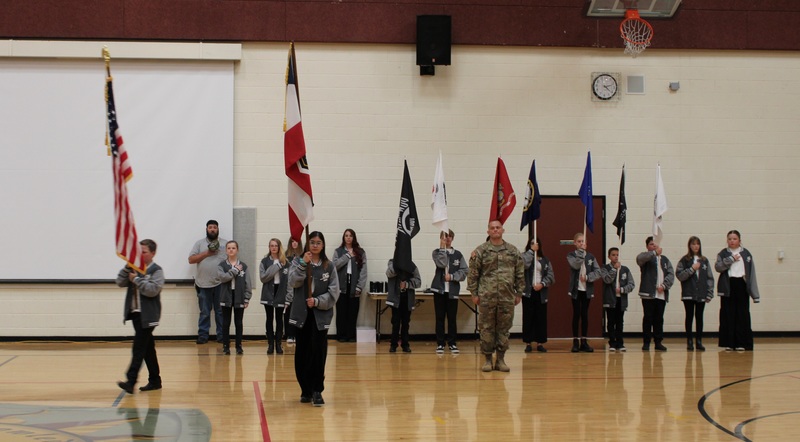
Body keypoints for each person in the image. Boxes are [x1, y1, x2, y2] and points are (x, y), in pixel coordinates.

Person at [288, 231, 339, 406]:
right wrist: (303, 264)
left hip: (320, 315)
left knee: (318, 352)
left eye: (318, 242)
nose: (315, 245)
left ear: (323, 245)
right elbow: (293, 282)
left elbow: (334, 292)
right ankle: (305, 390)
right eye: (312, 242)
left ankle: (317, 390)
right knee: (302, 352)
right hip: (302, 314)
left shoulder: (328, 266)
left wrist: (317, 301)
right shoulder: (298, 262)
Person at [467, 220, 525, 372]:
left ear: (503, 230)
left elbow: (520, 273)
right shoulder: (480, 251)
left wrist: (519, 292)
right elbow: (473, 274)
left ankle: (500, 359)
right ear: (488, 232)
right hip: (486, 296)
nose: (495, 230)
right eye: (492, 228)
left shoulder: (513, 251)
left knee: (504, 328)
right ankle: (487, 359)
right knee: (486, 328)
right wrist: (474, 293)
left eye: (498, 227)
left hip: (507, 297)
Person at [116, 239, 165, 394]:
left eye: (144, 252)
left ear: (152, 253)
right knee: (148, 349)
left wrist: (136, 279)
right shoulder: (133, 268)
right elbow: (119, 282)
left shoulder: (156, 270)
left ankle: (131, 381)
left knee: (138, 348)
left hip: (149, 315)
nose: (141, 255)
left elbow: (152, 290)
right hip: (136, 314)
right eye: (139, 252)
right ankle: (155, 380)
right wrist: (126, 268)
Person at [715, 230, 759, 351]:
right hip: (728, 286)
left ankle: (741, 342)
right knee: (728, 314)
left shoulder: (746, 254)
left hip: (742, 285)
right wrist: (730, 259)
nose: (732, 241)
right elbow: (718, 267)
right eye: (730, 239)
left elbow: (751, 273)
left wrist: (754, 294)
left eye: (734, 239)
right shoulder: (723, 253)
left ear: (739, 240)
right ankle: (729, 343)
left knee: (742, 314)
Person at [188, 220, 228, 344]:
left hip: (220, 284)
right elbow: (191, 260)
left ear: (218, 229)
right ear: (206, 229)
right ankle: (203, 336)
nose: (212, 229)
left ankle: (222, 336)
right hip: (203, 284)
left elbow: (231, 260)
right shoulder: (199, 244)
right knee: (205, 312)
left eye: (214, 227)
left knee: (220, 312)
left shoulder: (225, 244)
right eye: (210, 227)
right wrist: (207, 253)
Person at [431, 229, 468, 354]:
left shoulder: (458, 255)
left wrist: (452, 277)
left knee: (452, 318)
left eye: (449, 236)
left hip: (452, 291)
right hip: (439, 291)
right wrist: (442, 248)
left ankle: (452, 343)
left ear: (452, 238)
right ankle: (440, 343)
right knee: (439, 317)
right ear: (441, 238)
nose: (447, 238)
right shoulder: (436, 252)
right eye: (444, 236)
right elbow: (441, 264)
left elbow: (464, 271)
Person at [676, 236, 714, 351]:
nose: (696, 246)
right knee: (689, 316)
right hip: (689, 293)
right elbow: (680, 275)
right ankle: (689, 341)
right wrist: (692, 269)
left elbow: (709, 278)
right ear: (689, 246)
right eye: (693, 244)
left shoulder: (704, 260)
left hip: (701, 294)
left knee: (699, 317)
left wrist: (709, 293)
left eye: (697, 244)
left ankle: (699, 341)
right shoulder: (684, 260)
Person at [637, 236, 675, 352]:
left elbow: (670, 274)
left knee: (659, 318)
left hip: (661, 294)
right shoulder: (645, 258)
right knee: (648, 318)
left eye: (656, 244)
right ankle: (646, 342)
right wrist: (653, 253)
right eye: (651, 244)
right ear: (647, 246)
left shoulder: (664, 260)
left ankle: (658, 342)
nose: (654, 246)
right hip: (648, 294)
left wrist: (664, 286)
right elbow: (639, 259)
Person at [566, 233, 602, 353]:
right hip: (576, 290)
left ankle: (584, 341)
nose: (581, 243)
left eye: (583, 241)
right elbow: (575, 265)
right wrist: (581, 253)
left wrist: (587, 277)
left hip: (587, 290)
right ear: (575, 243)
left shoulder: (591, 257)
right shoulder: (571, 255)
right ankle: (575, 341)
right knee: (576, 314)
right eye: (579, 241)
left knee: (585, 315)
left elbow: (598, 272)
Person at [332, 229, 368, 343]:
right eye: (346, 235)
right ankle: (341, 335)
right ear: (343, 238)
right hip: (341, 287)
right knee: (341, 312)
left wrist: (359, 287)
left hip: (354, 286)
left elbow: (363, 271)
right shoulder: (338, 251)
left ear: (354, 237)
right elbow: (334, 266)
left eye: (350, 236)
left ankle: (351, 335)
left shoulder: (360, 252)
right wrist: (347, 256)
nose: (348, 238)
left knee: (353, 312)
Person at [218, 240, 252, 355]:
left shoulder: (244, 266)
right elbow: (223, 278)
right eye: (229, 248)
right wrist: (235, 270)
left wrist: (247, 298)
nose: (231, 250)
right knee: (226, 323)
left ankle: (239, 346)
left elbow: (248, 283)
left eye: (233, 248)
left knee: (238, 322)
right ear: (226, 250)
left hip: (239, 297)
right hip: (226, 296)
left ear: (237, 250)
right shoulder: (222, 265)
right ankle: (226, 346)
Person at [521, 237, 554, 353]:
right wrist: (531, 251)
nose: (534, 245)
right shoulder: (524, 256)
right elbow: (524, 265)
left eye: (536, 243)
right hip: (528, 292)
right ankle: (528, 342)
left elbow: (551, 276)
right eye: (532, 243)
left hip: (541, 292)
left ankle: (540, 343)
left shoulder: (545, 260)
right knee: (528, 317)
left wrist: (543, 284)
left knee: (540, 317)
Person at [601, 247, 635, 352]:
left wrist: (622, 289)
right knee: (611, 322)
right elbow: (607, 280)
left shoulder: (625, 270)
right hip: (610, 300)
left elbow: (631, 284)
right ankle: (612, 342)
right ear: (609, 256)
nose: (615, 257)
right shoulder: (605, 268)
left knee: (620, 322)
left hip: (621, 299)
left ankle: (620, 343)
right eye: (613, 255)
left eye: (617, 255)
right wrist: (614, 269)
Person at [260, 238, 289, 355]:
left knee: (279, 319)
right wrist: (276, 266)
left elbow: (289, 281)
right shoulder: (264, 261)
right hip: (268, 292)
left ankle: (278, 344)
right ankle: (270, 344)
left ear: (279, 247)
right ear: (269, 247)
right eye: (271, 245)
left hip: (280, 292)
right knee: (269, 318)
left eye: (276, 245)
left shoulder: (286, 262)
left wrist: (288, 297)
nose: (273, 248)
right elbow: (264, 277)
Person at [386, 259, 421, 353]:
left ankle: (405, 345)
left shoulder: (412, 265)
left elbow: (418, 281)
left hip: (407, 299)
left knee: (406, 323)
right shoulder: (392, 263)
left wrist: (407, 284)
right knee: (395, 322)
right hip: (395, 299)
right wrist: (398, 265)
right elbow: (389, 274)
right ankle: (393, 345)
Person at [283, 237, 303, 344]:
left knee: (299, 312)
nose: (294, 243)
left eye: (296, 241)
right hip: (288, 288)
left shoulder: (303, 256)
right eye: (292, 241)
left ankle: (298, 334)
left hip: (300, 287)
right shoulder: (286, 256)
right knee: (288, 312)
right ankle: (289, 334)